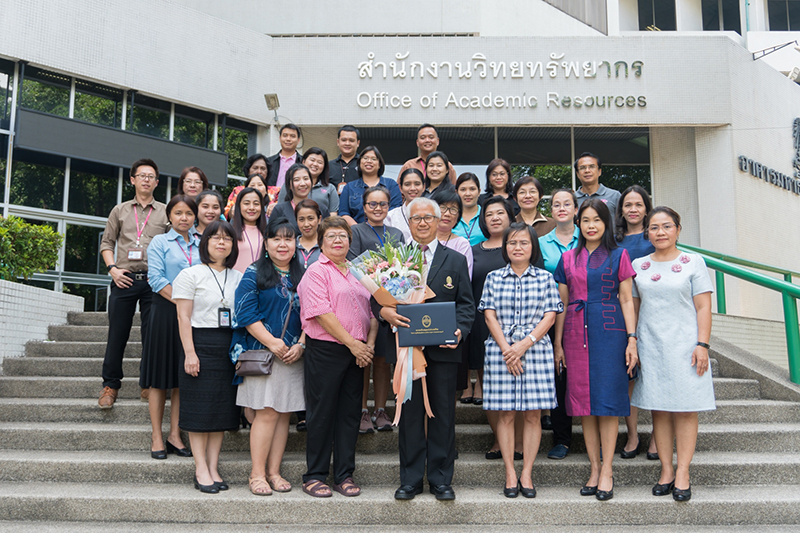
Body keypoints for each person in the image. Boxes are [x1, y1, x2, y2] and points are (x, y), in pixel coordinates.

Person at [374, 197, 475, 501]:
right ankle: (411, 479)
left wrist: (460, 330)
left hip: (443, 350)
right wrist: (384, 313)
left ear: (439, 220)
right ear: (409, 222)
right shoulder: (392, 259)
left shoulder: (455, 259)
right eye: (416, 218)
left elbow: (466, 306)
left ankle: (442, 479)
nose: (422, 223)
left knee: (443, 415)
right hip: (407, 350)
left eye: (427, 218)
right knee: (410, 415)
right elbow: (376, 297)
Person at [553, 198, 638, 501]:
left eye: (597, 220)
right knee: (583, 406)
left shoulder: (620, 255)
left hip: (610, 332)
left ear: (607, 224)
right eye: (586, 220)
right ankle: (593, 467)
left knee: (608, 403)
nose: (591, 226)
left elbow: (627, 299)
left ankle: (608, 470)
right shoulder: (566, 259)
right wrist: (558, 344)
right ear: (579, 223)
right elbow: (560, 305)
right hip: (575, 335)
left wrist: (631, 339)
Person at [631, 207, 714, 502]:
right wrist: (633, 342)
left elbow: (703, 306)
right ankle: (666, 470)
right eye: (654, 227)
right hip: (651, 344)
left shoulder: (693, 262)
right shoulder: (639, 265)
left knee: (686, 408)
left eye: (667, 226)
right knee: (659, 409)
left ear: (679, 229)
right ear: (647, 233)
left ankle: (683, 472)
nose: (660, 232)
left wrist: (702, 345)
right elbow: (635, 308)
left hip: (686, 346)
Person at [297, 216, 379, 498]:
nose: (337, 240)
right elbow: (321, 313)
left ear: (350, 240)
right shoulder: (316, 272)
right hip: (328, 350)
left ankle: (344, 474)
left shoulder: (358, 271)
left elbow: (372, 312)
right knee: (322, 414)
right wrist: (352, 344)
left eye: (342, 235)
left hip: (358, 353)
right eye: (331, 236)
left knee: (349, 414)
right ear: (321, 242)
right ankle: (315, 475)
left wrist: (366, 345)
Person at [480, 223, 562, 498]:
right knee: (505, 414)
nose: (518, 247)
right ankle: (510, 472)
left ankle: (527, 472)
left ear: (532, 247)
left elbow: (550, 315)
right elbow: (489, 315)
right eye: (512, 243)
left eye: (524, 243)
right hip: (501, 350)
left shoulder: (544, 278)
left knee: (533, 414)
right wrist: (507, 349)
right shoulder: (493, 278)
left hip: (535, 350)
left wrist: (524, 344)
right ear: (505, 247)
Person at [231, 216, 306, 496]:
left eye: (289, 238)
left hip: (294, 355)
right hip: (264, 354)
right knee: (266, 413)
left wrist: (301, 344)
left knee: (284, 414)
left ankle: (274, 472)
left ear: (296, 242)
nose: (283, 244)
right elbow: (246, 314)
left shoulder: (303, 274)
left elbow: (313, 315)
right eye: (276, 238)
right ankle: (257, 474)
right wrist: (273, 343)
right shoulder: (254, 272)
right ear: (267, 243)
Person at [173, 220, 243, 494]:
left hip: (229, 346)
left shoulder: (239, 277)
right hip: (199, 344)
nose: (222, 242)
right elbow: (183, 317)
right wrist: (190, 352)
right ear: (205, 243)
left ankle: (214, 467)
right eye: (216, 238)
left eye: (227, 238)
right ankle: (200, 468)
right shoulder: (191, 274)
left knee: (221, 411)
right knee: (200, 411)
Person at [98, 159, 168, 409]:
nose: (147, 179)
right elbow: (107, 244)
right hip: (124, 278)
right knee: (117, 334)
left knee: (152, 336)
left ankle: (147, 384)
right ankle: (110, 385)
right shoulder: (120, 210)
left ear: (157, 182)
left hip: (153, 281)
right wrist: (112, 270)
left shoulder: (165, 211)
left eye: (151, 176)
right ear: (133, 180)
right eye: (142, 175)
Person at [140, 195, 201, 460]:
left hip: (193, 315)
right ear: (170, 216)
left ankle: (175, 435)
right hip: (165, 312)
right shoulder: (159, 241)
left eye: (189, 213)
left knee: (180, 379)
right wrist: (181, 301)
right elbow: (155, 278)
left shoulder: (202, 243)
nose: (184, 218)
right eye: (178, 213)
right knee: (159, 378)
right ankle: (156, 435)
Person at [347, 186, 405, 434]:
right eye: (372, 204)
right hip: (362, 301)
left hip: (389, 303)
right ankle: (362, 410)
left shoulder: (397, 233)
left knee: (383, 360)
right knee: (364, 360)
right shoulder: (356, 231)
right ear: (364, 206)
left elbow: (403, 266)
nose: (378, 208)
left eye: (382, 204)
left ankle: (381, 409)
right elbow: (353, 266)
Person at [468, 197, 517, 458]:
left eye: (501, 213)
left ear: (510, 217)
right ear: (483, 220)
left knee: (518, 384)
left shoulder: (520, 246)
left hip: (519, 329)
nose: (495, 218)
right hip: (481, 326)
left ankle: (517, 440)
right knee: (490, 387)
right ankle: (500, 439)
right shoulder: (473, 251)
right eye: (489, 214)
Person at [614, 185, 658, 461]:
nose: (632, 209)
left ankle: (657, 436)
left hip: (653, 312)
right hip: (623, 312)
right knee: (628, 377)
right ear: (621, 210)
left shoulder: (653, 236)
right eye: (627, 205)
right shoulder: (614, 240)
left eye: (638, 204)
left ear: (646, 208)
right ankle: (632, 435)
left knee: (652, 376)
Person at [537, 188, 580, 461]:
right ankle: (562, 438)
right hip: (551, 315)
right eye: (556, 204)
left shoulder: (588, 237)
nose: (562, 208)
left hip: (585, 312)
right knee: (559, 375)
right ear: (551, 211)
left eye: (567, 204)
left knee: (587, 375)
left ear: (576, 208)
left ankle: (594, 436)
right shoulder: (541, 243)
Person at [338, 146, 402, 225]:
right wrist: (360, 231)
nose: (369, 161)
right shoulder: (349, 187)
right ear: (359, 163)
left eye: (373, 159)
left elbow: (395, 212)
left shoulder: (391, 185)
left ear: (379, 165)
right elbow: (344, 213)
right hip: (356, 234)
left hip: (385, 233)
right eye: (365, 158)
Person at [275, 147, 339, 215]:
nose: (315, 164)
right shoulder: (290, 185)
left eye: (320, 162)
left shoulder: (330, 188)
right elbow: (280, 210)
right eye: (312, 160)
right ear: (303, 161)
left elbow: (333, 215)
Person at [270, 164, 331, 231]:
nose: (302, 183)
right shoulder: (279, 210)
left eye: (306, 179)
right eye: (296, 180)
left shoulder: (322, 209)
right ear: (289, 185)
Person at [432, 188, 473, 277]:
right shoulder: (418, 239)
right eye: (442, 208)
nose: (447, 214)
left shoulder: (462, 244)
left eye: (453, 209)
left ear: (458, 216)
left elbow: (465, 278)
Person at [230, 187, 267, 274]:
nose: (251, 208)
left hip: (261, 283)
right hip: (236, 283)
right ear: (239, 206)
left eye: (256, 204)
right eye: (246, 203)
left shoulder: (268, 232)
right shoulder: (230, 232)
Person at [385, 168, 424, 241]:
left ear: (424, 187)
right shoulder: (390, 216)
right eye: (407, 184)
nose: (412, 188)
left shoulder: (433, 215)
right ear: (400, 188)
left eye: (417, 184)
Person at [454, 172, 487, 246]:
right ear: (456, 193)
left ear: (479, 192)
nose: (468, 193)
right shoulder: (451, 216)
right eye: (463, 190)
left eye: (472, 189)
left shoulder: (487, 215)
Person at [266, 123, 302, 188]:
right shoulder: (268, 162)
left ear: (298, 140)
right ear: (280, 138)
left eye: (292, 136)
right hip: (272, 197)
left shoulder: (303, 162)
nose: (288, 139)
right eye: (285, 135)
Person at [329, 125, 361, 193]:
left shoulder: (363, 164)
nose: (347, 143)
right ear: (338, 142)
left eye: (351, 140)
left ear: (358, 143)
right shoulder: (329, 166)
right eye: (343, 140)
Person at [295, 199, 323, 270]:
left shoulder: (326, 245)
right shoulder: (292, 245)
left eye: (310, 218)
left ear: (319, 219)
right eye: (301, 219)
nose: (306, 224)